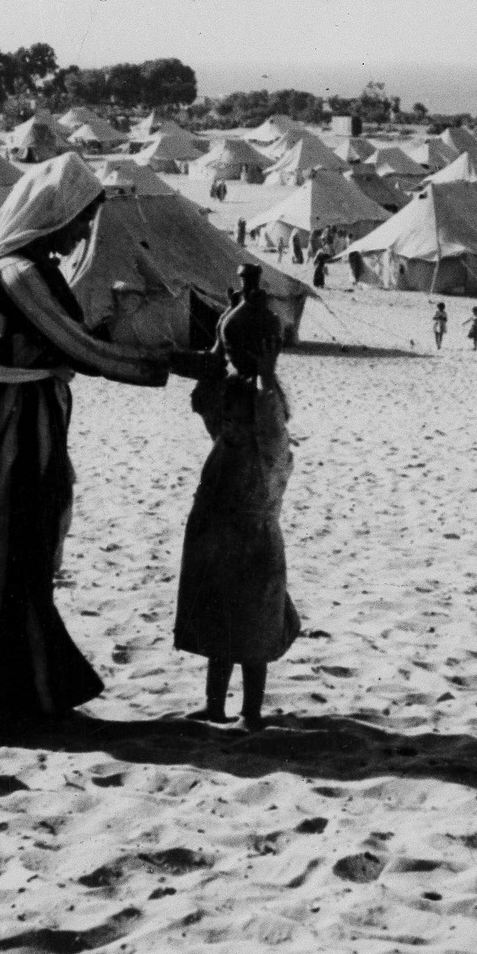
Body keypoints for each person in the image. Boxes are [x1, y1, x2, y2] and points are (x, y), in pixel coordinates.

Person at [0, 155, 171, 745]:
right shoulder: (17, 273)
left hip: (27, 425)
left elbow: (65, 339)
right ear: (54, 215)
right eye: (80, 220)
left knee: (24, 560)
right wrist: (170, 365)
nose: (83, 233)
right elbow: (76, 347)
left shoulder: (35, 270)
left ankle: (24, 693)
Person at [173, 264, 300, 730]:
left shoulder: (261, 412)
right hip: (226, 522)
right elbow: (204, 400)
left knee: (250, 620)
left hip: (248, 525)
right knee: (223, 614)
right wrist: (222, 339)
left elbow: (266, 417)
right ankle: (216, 705)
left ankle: (249, 712)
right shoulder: (233, 404)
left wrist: (258, 372)